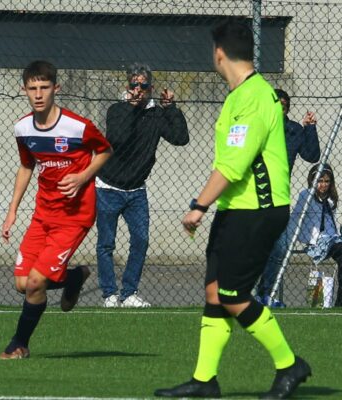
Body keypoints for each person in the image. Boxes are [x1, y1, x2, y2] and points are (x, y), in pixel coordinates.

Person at [155, 20, 311, 398]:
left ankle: (290, 364)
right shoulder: (238, 96)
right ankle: (205, 380)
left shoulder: (255, 96)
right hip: (235, 208)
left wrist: (198, 206)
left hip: (258, 210)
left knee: (233, 294)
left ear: (219, 53)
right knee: (214, 293)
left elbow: (233, 165)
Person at [0, 60, 112, 359]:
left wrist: (83, 176)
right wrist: (12, 211)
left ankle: (19, 345)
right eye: (32, 88)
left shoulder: (77, 126)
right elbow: (26, 165)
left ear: (55, 89)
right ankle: (73, 278)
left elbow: (105, 151)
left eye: (44, 87)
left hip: (74, 217)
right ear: (24, 90)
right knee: (23, 284)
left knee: (36, 282)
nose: (38, 94)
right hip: (42, 214)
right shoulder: (23, 128)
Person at [96, 63, 189, 308]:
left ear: (151, 88)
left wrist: (170, 109)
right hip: (108, 187)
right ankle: (109, 294)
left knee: (141, 239)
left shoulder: (156, 114)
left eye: (143, 86)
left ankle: (129, 292)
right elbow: (118, 137)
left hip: (136, 190)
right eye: (133, 85)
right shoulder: (117, 110)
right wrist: (131, 107)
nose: (138, 90)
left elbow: (180, 138)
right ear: (127, 87)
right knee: (106, 243)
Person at [255, 88, 320, 306]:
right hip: (255, 196)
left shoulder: (293, 130)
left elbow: (312, 155)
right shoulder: (259, 128)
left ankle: (266, 293)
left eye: (284, 106)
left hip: (280, 198)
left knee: (281, 248)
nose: (279, 109)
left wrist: (310, 128)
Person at [288, 164, 342, 307]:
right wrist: (290, 238)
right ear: (312, 180)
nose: (323, 184)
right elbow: (296, 217)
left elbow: (331, 223)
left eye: (326, 181)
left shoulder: (331, 199)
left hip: (332, 238)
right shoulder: (306, 195)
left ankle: (339, 301)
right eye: (319, 180)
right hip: (317, 241)